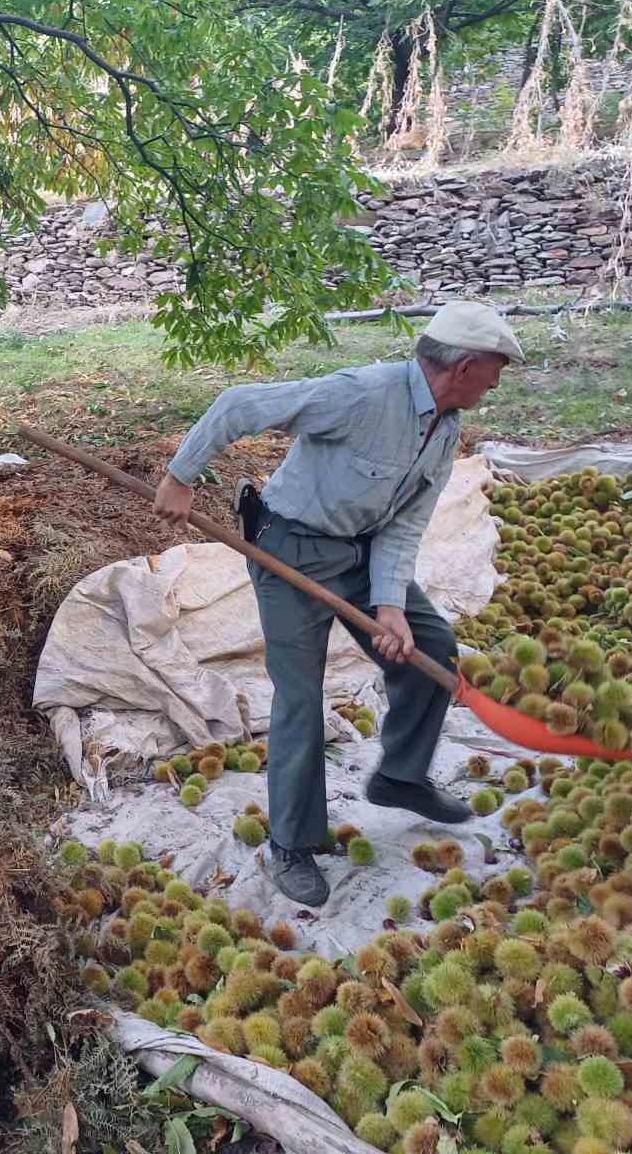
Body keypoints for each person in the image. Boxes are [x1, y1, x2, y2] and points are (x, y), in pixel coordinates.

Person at [152, 301, 521, 907]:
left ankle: (399, 777)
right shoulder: (361, 394)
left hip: (361, 551)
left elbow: (404, 526)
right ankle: (292, 844)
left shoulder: (446, 426)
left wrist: (391, 606)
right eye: (495, 369)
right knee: (301, 697)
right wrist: (180, 475)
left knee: (431, 646)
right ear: (464, 366)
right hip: (289, 549)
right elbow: (239, 404)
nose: (496, 382)